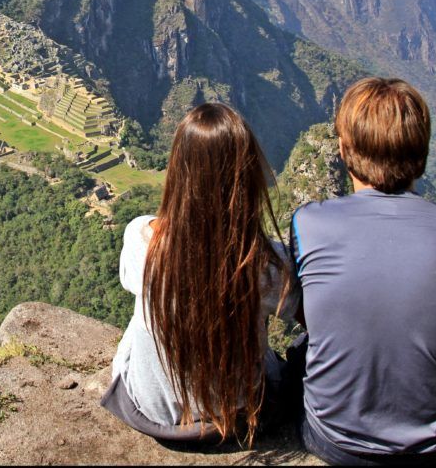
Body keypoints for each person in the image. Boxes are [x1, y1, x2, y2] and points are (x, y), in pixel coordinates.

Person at [290, 77, 436, 465]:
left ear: (343, 148)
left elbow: (311, 319)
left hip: (334, 443)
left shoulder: (307, 224)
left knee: (301, 352)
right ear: (423, 151)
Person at [101, 102, 298, 446]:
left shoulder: (141, 238)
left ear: (178, 172)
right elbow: (307, 315)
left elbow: (131, 281)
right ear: (247, 177)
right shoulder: (265, 264)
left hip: (150, 411)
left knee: (143, 313)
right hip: (233, 415)